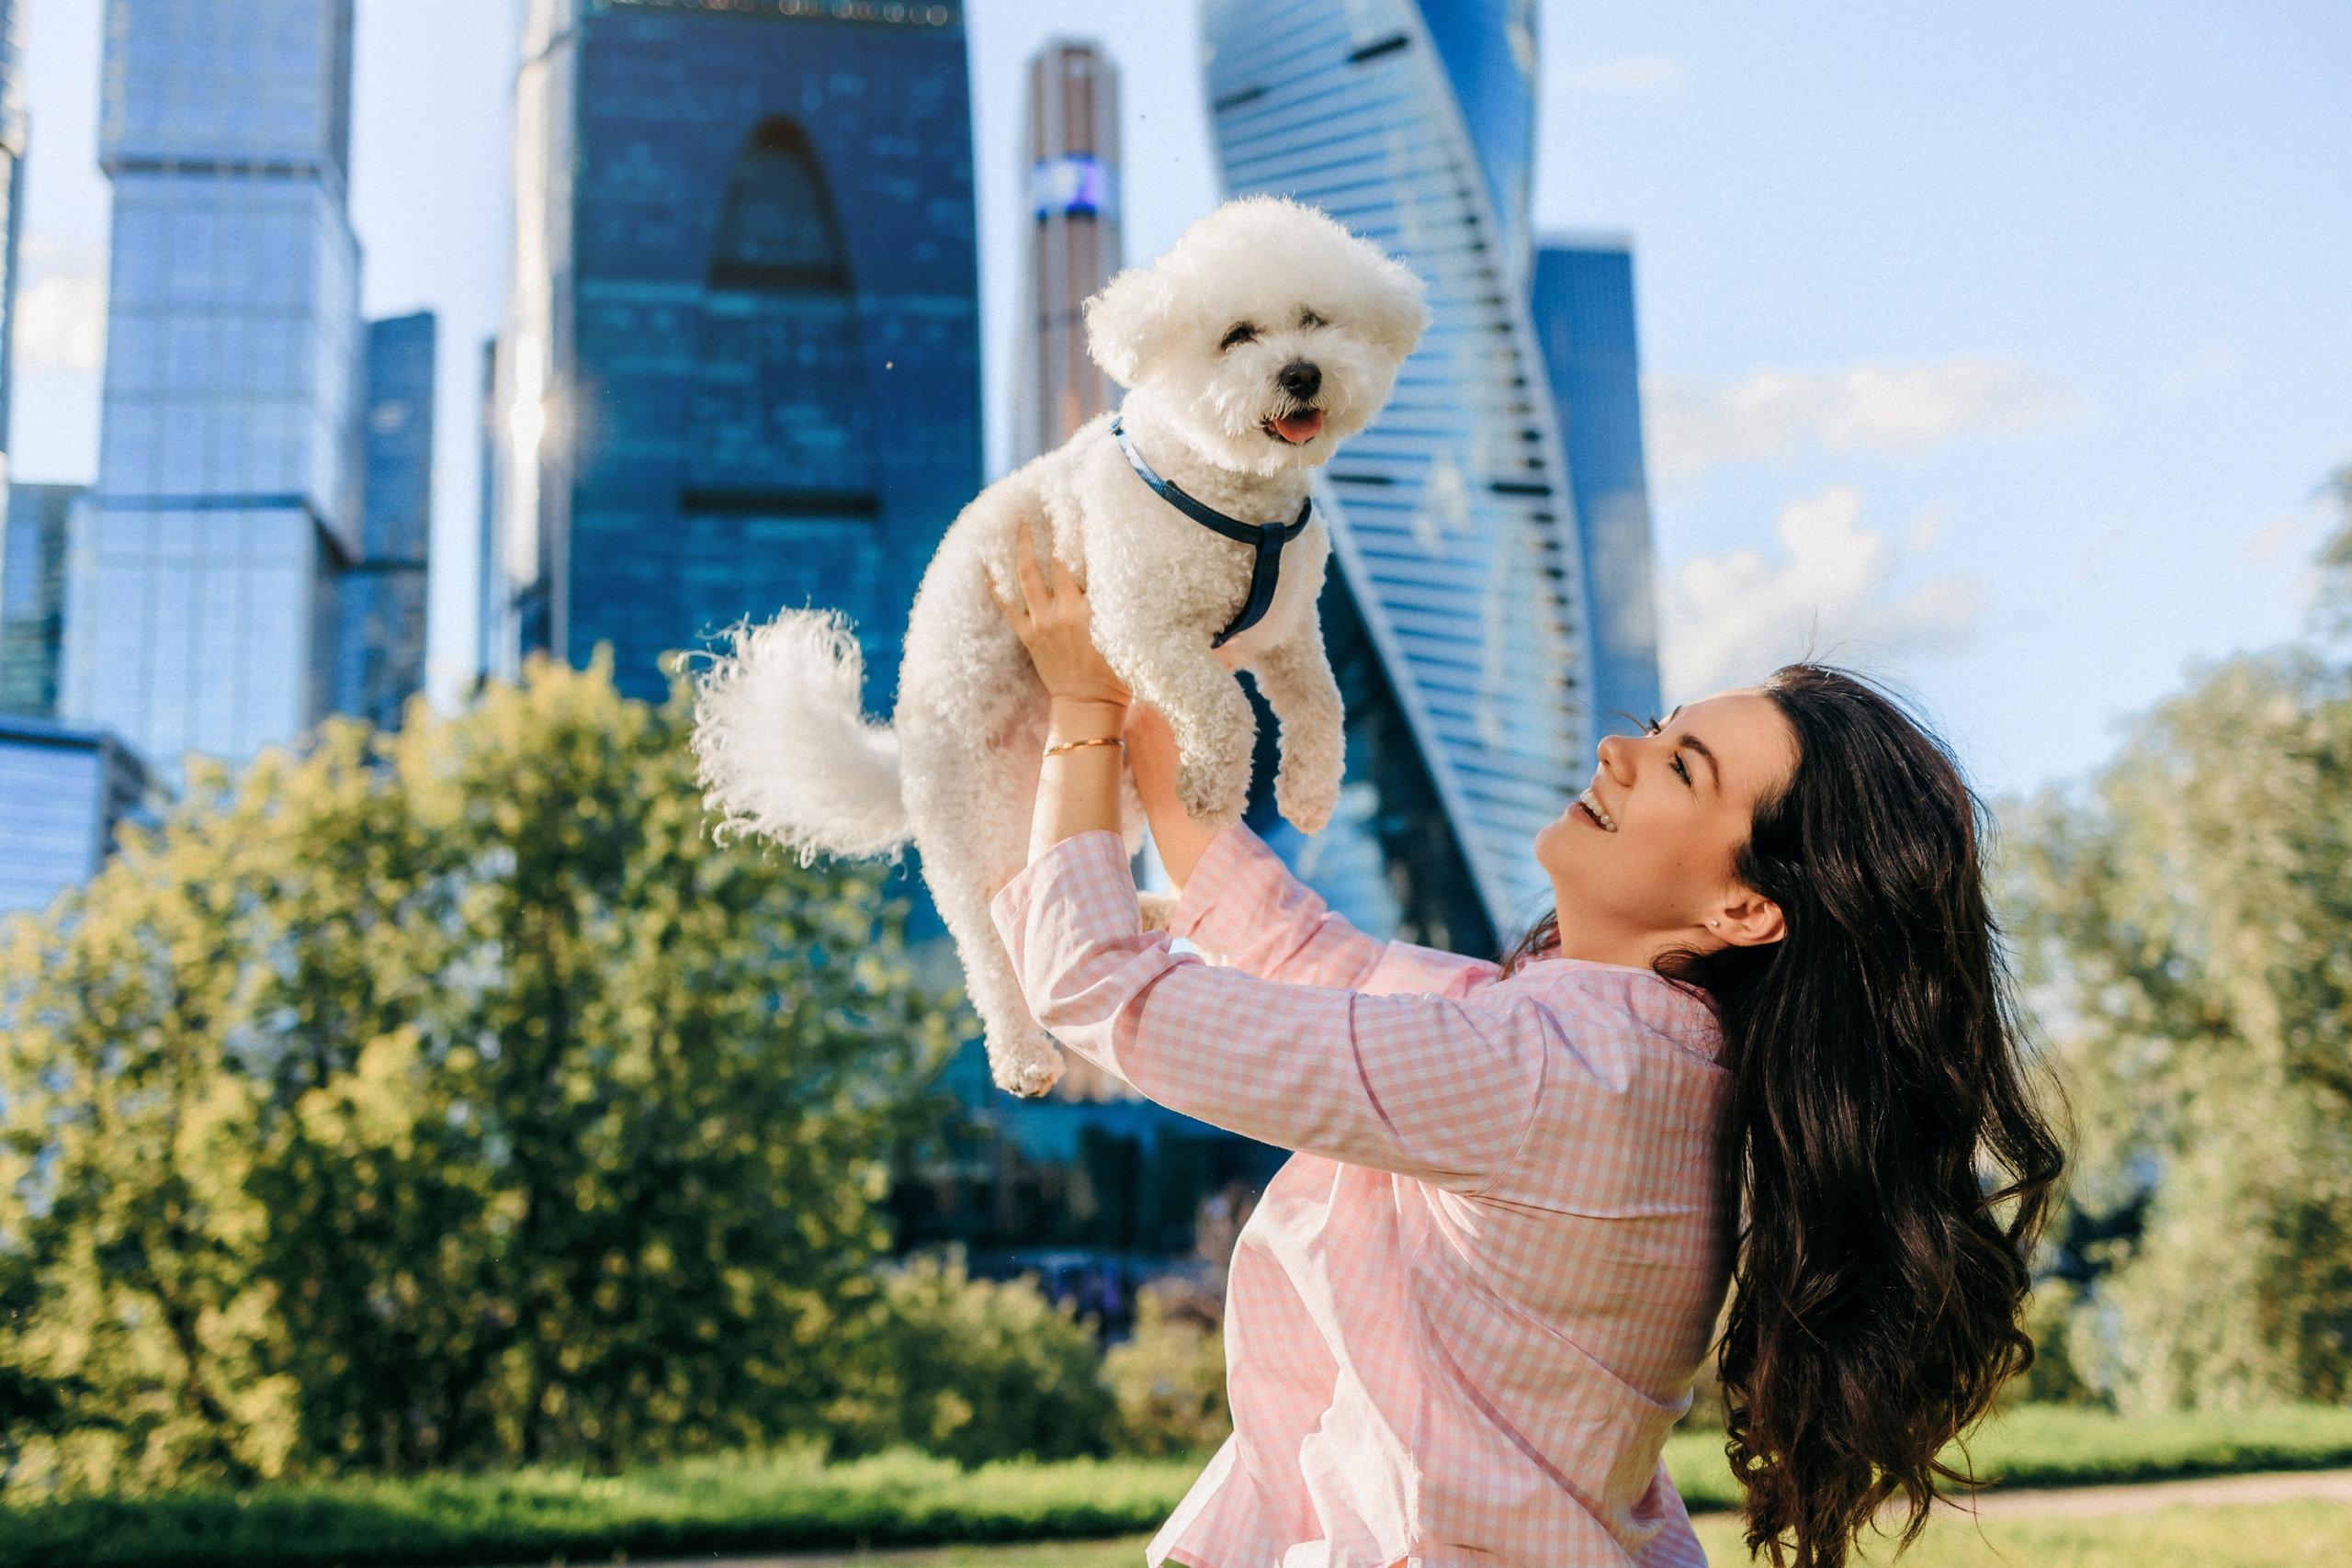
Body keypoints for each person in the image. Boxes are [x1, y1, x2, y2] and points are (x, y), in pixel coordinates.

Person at [989, 525, 2065, 1568]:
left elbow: (1092, 981)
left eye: (1681, 768)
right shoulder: (1642, 1057)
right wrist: (1140, 694)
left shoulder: (1543, 1070)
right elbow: (1306, 953)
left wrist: (1081, 713)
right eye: (1657, 725)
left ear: (1746, 909)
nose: (1619, 749)